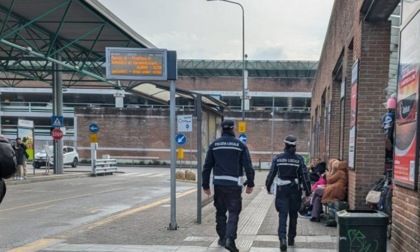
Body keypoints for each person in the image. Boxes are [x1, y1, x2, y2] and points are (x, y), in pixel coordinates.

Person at [202, 119, 255, 252]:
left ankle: (221, 237)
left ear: (222, 129)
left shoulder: (214, 145)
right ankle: (229, 239)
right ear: (232, 129)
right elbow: (248, 166)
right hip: (234, 186)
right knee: (233, 211)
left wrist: (205, 185)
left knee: (220, 211)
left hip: (219, 184)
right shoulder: (240, 145)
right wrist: (250, 183)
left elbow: (207, 167)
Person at [265, 135, 311, 252]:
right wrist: (308, 192)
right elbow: (305, 176)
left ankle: (282, 239)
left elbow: (271, 174)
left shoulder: (278, 158)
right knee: (293, 215)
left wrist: (268, 186)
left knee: (282, 215)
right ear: (295, 145)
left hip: (282, 190)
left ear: (285, 145)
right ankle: (291, 238)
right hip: (295, 190)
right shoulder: (299, 159)